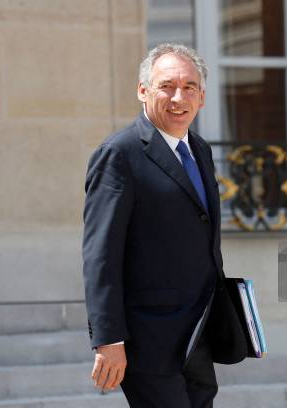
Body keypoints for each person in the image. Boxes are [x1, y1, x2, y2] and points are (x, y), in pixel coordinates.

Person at [82, 43, 222, 408]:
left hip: (199, 335)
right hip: (149, 341)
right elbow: (101, 255)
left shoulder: (201, 151)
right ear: (143, 91)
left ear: (202, 97)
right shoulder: (119, 154)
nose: (179, 97)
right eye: (167, 86)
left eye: (190, 87)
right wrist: (108, 339)